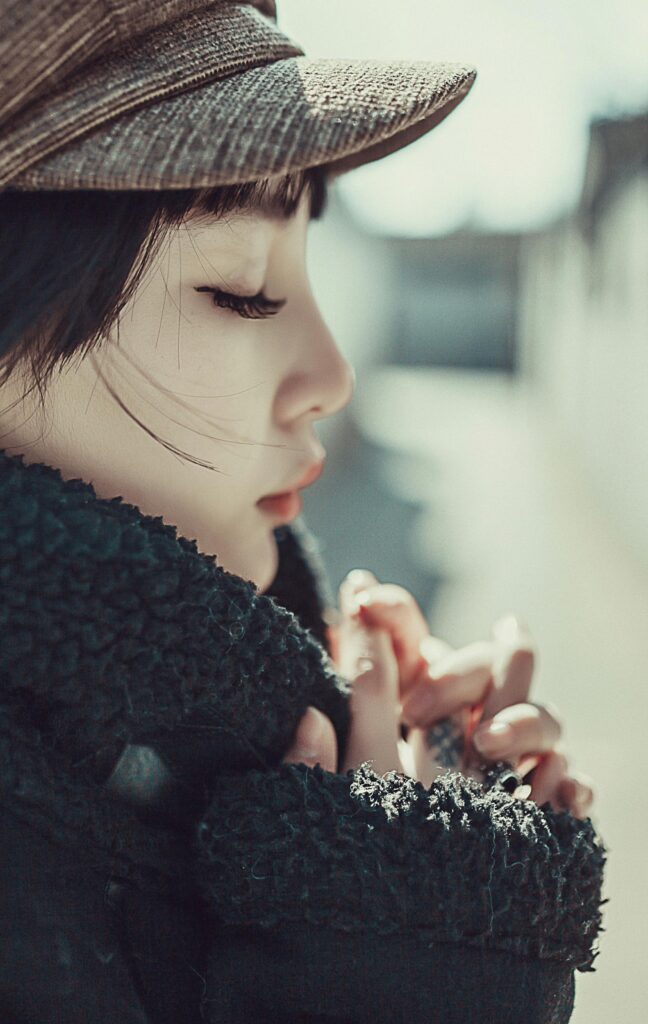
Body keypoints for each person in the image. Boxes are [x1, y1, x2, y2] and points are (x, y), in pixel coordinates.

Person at [0, 2, 604, 1022]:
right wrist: (402, 973)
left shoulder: (228, 727)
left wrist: (417, 857)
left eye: (303, 266)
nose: (332, 373)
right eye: (243, 288)